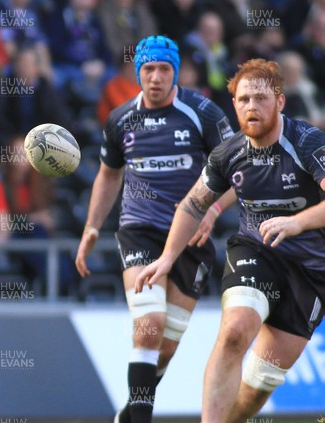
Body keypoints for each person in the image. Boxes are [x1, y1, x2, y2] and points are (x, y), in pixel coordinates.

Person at [135, 58, 325, 422]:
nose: (251, 106)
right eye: (243, 99)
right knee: (236, 331)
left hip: (312, 270)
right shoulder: (227, 153)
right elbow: (192, 205)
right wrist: (167, 258)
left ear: (280, 102)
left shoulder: (307, 143)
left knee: (260, 383)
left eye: (260, 98)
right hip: (257, 250)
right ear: (234, 105)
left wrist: (297, 223)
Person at [74, 35, 236, 423]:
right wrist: (92, 227)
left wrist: (212, 209)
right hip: (139, 230)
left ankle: (130, 412)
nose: (156, 77)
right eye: (149, 69)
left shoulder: (204, 113)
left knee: (164, 348)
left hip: (191, 237)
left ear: (175, 72)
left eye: (165, 69)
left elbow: (237, 173)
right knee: (149, 325)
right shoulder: (120, 119)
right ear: (138, 72)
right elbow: (109, 176)